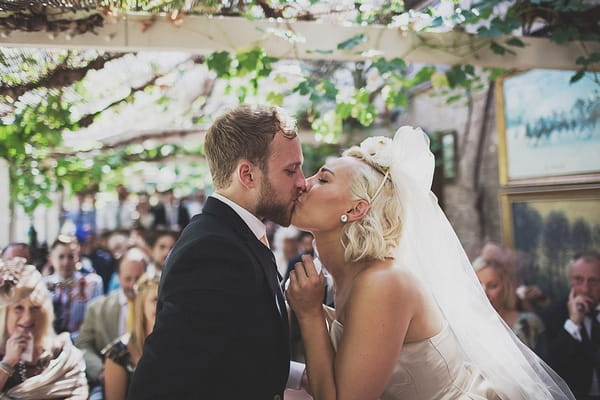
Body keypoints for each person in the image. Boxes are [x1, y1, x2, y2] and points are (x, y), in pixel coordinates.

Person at [285, 127, 574, 400]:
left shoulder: (384, 282)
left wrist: (310, 315)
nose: (303, 183)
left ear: (357, 209)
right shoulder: (349, 276)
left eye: (322, 179)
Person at [129, 105, 306, 399]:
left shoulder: (235, 236)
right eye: (291, 170)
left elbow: (234, 351)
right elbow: (166, 378)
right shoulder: (212, 250)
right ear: (247, 175)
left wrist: (301, 376)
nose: (302, 182)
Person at [0, 257, 88, 399]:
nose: (27, 318)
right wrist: (7, 364)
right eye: (19, 308)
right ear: (5, 313)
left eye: (35, 308)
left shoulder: (62, 354)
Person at [75, 247, 148, 397]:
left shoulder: (156, 308)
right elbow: (83, 345)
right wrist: (102, 371)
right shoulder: (97, 309)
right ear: (118, 277)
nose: (134, 285)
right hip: (107, 381)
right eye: (128, 279)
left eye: (138, 278)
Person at [540, 251, 600, 399]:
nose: (585, 289)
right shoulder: (553, 314)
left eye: (593, 281)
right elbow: (549, 367)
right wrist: (573, 323)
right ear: (570, 281)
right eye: (578, 280)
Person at [103, 273, 160, 400]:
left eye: (165, 300)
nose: (161, 305)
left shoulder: (177, 347)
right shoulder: (118, 353)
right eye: (155, 300)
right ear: (142, 305)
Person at [472, 252, 545, 350]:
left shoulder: (529, 324)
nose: (484, 293)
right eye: (478, 286)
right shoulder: (468, 329)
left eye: (492, 286)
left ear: (505, 288)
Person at [43, 236, 103, 336]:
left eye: (71, 256)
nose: (66, 262)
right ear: (51, 259)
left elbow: (96, 320)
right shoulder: (43, 285)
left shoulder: (93, 283)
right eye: (61, 257)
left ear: (78, 258)